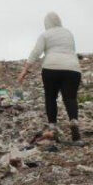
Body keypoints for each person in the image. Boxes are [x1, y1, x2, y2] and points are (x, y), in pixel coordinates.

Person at [17, 12, 83, 142]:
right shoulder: (68, 33)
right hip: (72, 68)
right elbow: (72, 50)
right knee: (70, 97)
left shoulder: (45, 35)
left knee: (51, 97)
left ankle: (53, 126)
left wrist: (25, 70)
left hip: (51, 68)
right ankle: (74, 121)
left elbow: (36, 52)